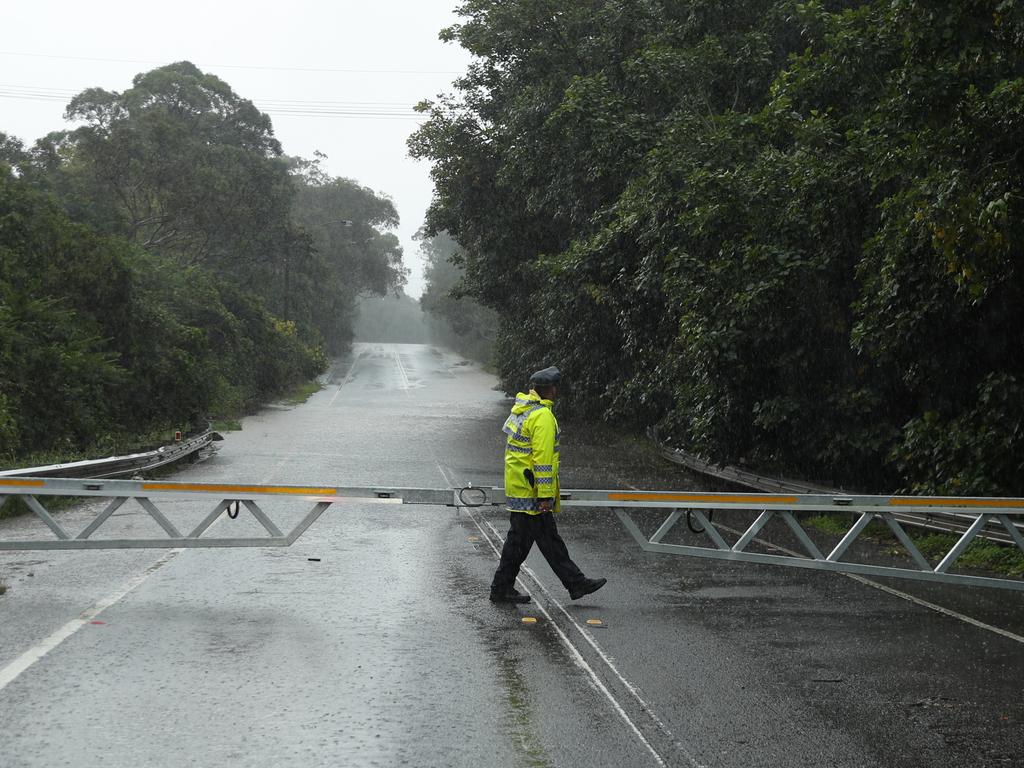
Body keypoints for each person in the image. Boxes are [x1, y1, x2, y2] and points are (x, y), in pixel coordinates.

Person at [489, 365, 607, 604]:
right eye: (556, 387)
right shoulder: (542, 416)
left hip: (519, 486)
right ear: (550, 390)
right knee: (533, 542)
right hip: (531, 491)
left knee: (530, 542)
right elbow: (542, 460)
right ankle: (574, 583)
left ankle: (505, 587)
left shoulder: (522, 409)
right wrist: (544, 496)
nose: (557, 391)